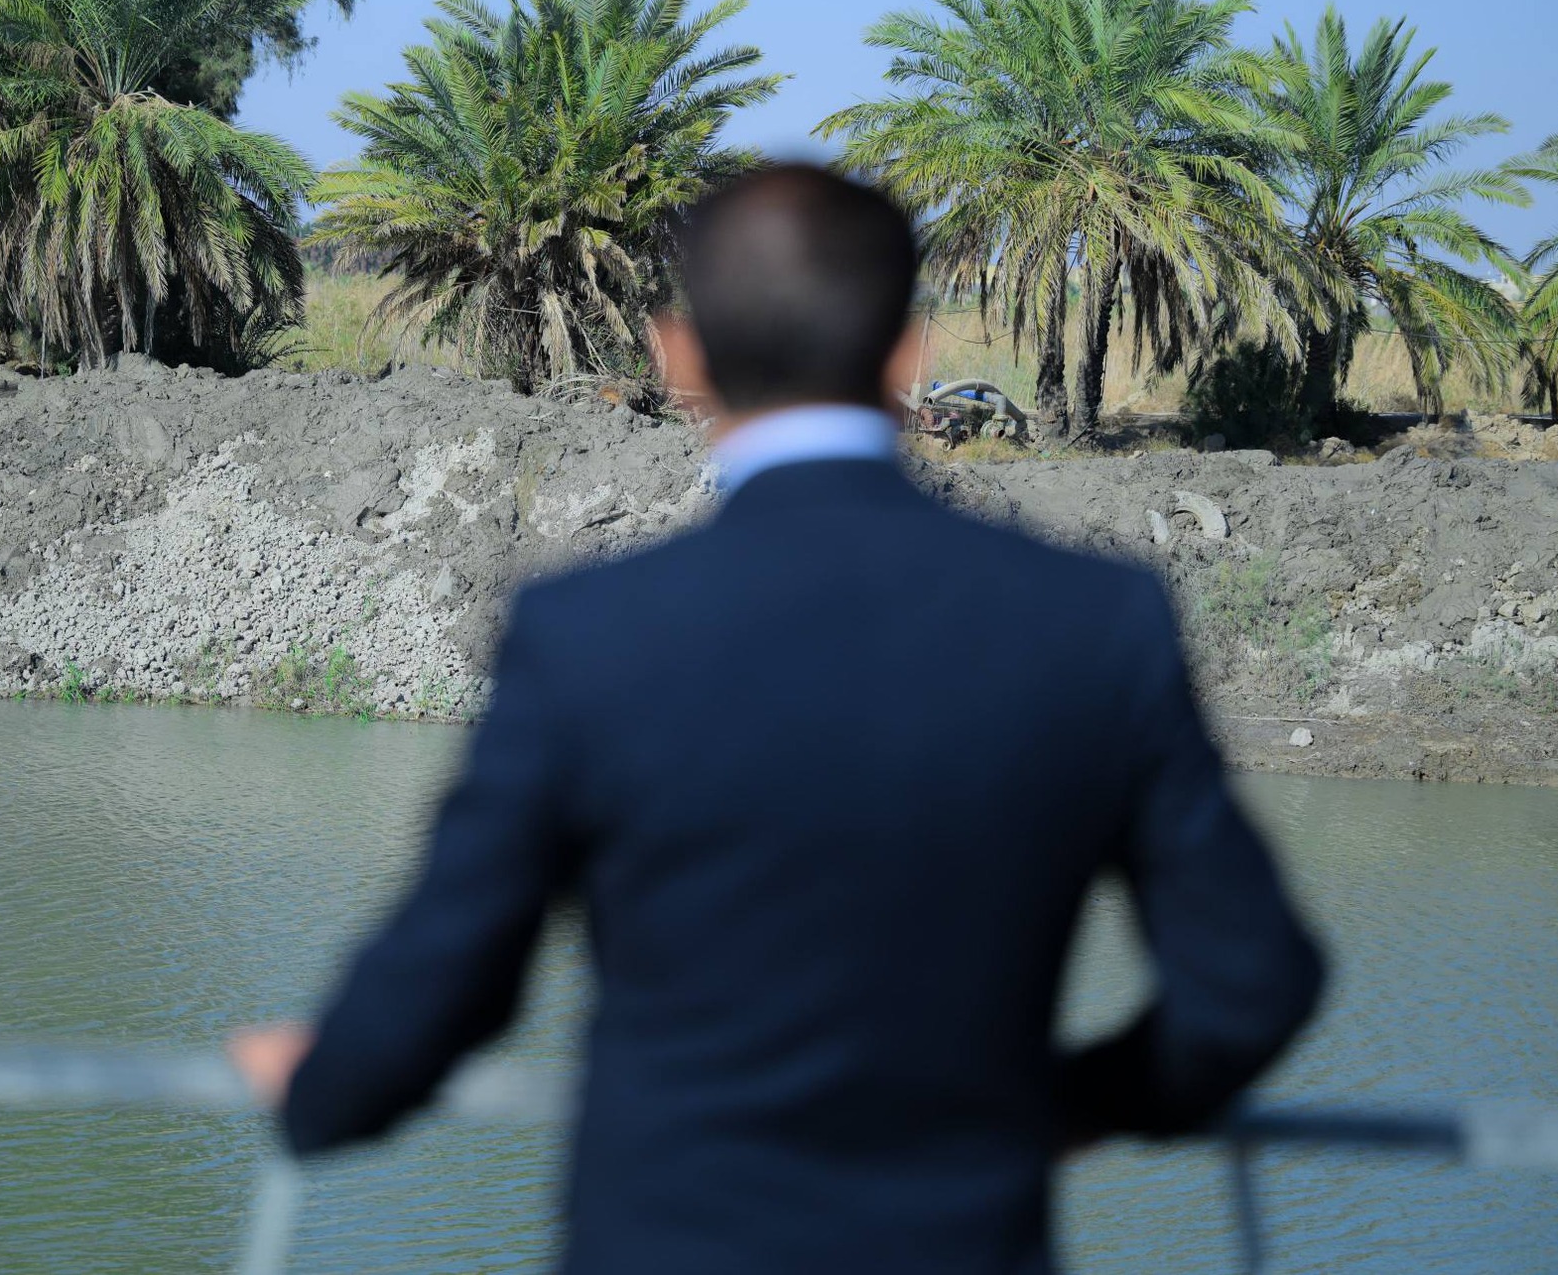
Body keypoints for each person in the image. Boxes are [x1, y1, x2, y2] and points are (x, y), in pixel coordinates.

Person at [231, 164, 1325, 1274]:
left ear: (679, 358)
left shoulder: (588, 632)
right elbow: (1251, 984)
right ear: (907, 355)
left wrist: (325, 1090)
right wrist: (1065, 1106)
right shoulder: (1093, 622)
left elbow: (458, 967)